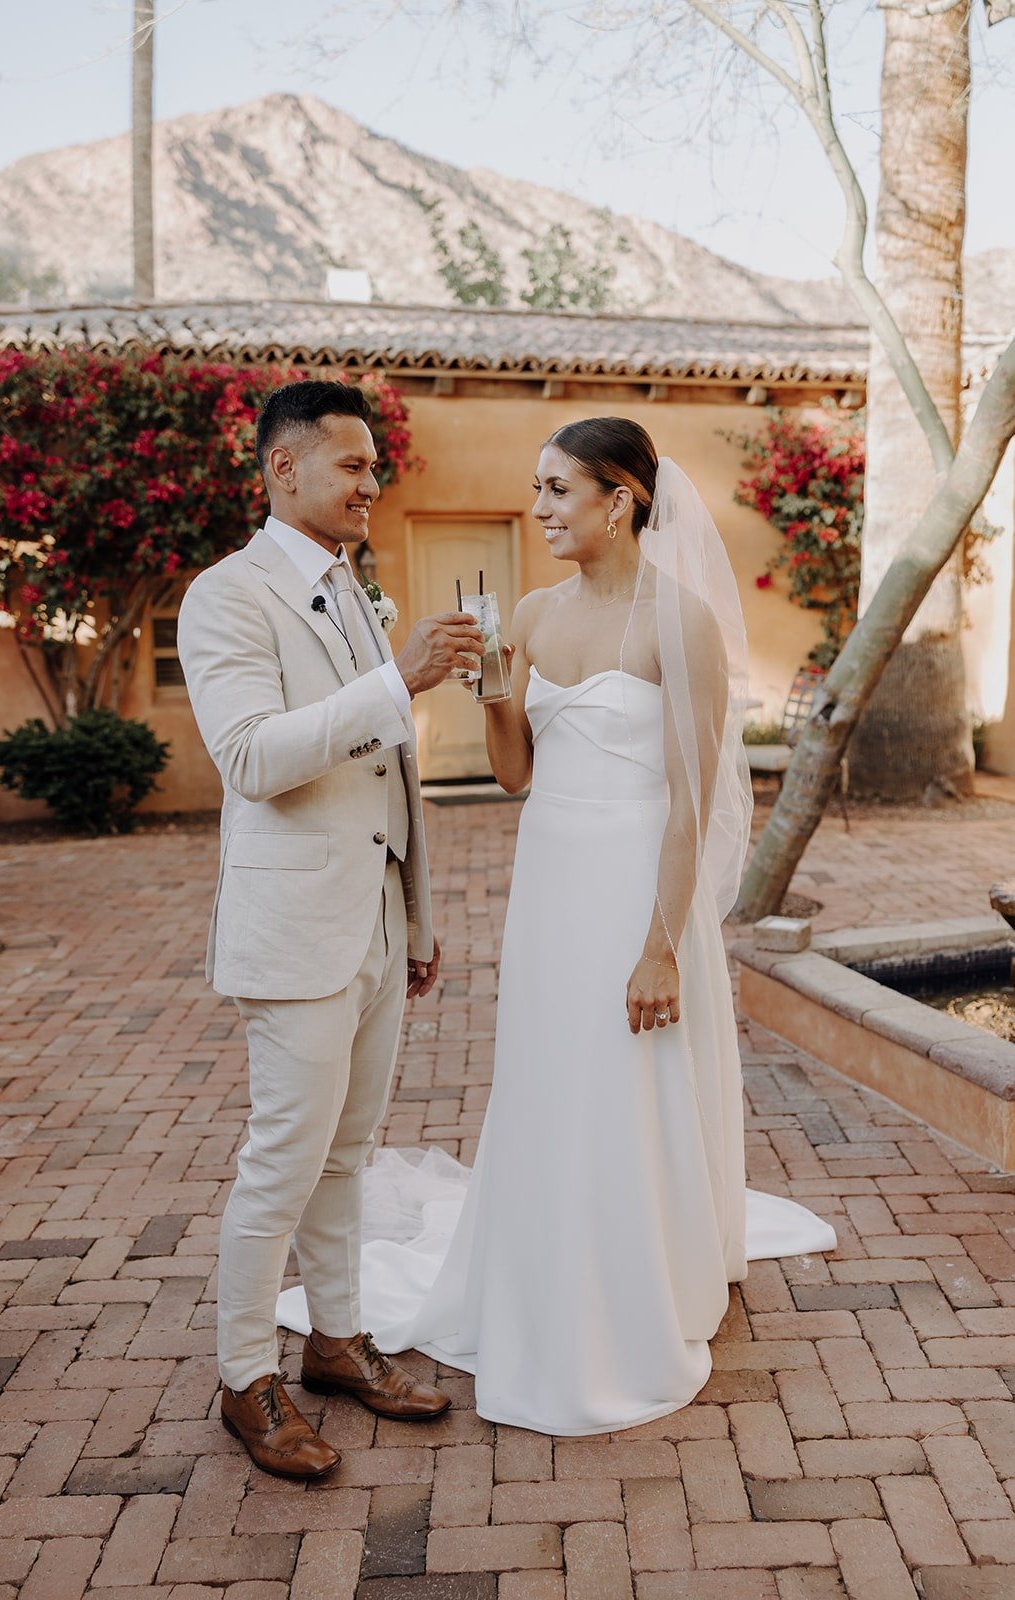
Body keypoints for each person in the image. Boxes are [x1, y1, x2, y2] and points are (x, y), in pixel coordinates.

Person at [278, 415, 836, 1436]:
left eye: (555, 490)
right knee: (551, 1075)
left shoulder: (682, 623)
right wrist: (494, 685)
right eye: (535, 489)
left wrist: (660, 942)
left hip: (637, 884)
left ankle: (637, 1277)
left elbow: (686, 799)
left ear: (617, 500)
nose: (538, 510)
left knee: (629, 1076)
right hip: (551, 877)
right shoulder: (529, 613)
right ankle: (545, 1262)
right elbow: (516, 771)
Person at [177, 379, 486, 1477]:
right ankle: (243, 1375)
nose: (370, 484)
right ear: (283, 471)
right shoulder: (226, 596)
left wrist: (413, 912)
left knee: (348, 1155)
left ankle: (335, 1345)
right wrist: (396, 678)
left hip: (369, 924)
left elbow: (392, 772)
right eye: (351, 466)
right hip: (292, 926)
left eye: (371, 466)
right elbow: (254, 757)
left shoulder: (353, 591)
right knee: (283, 1162)